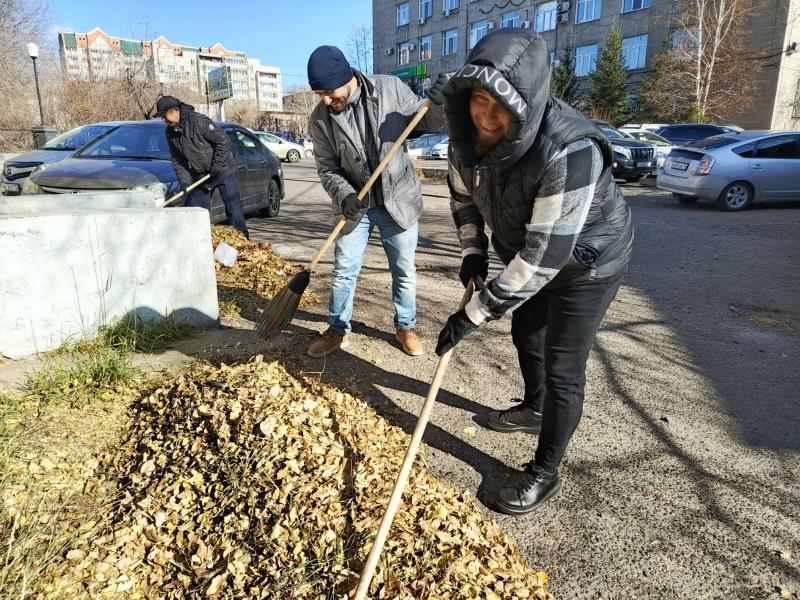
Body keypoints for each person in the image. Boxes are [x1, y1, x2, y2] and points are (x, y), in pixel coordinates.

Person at [435, 29, 634, 514]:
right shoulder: (466, 139)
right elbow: (464, 201)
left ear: (529, 104)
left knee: (565, 365)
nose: (488, 116)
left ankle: (545, 472)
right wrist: (472, 256)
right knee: (527, 329)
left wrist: (474, 313)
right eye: (480, 99)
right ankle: (535, 406)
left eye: (502, 106)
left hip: (588, 261)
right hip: (535, 256)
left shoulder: (570, 149)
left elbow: (545, 258)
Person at [304, 45, 447, 358]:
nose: (327, 100)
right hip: (357, 208)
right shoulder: (320, 120)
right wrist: (344, 195)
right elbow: (327, 168)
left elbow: (426, 122)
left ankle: (406, 327)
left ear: (347, 77)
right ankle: (337, 330)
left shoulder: (389, 89)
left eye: (329, 92)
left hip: (398, 200)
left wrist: (438, 104)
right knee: (343, 270)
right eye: (320, 95)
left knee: (404, 270)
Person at [156, 95, 250, 239]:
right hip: (201, 175)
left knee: (233, 210)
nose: (164, 120)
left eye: (165, 116)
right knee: (194, 210)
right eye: (162, 117)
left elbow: (222, 141)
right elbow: (178, 160)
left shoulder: (198, 121)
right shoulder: (170, 132)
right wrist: (185, 183)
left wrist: (217, 166)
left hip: (223, 170)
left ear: (176, 110)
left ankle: (244, 242)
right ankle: (198, 242)